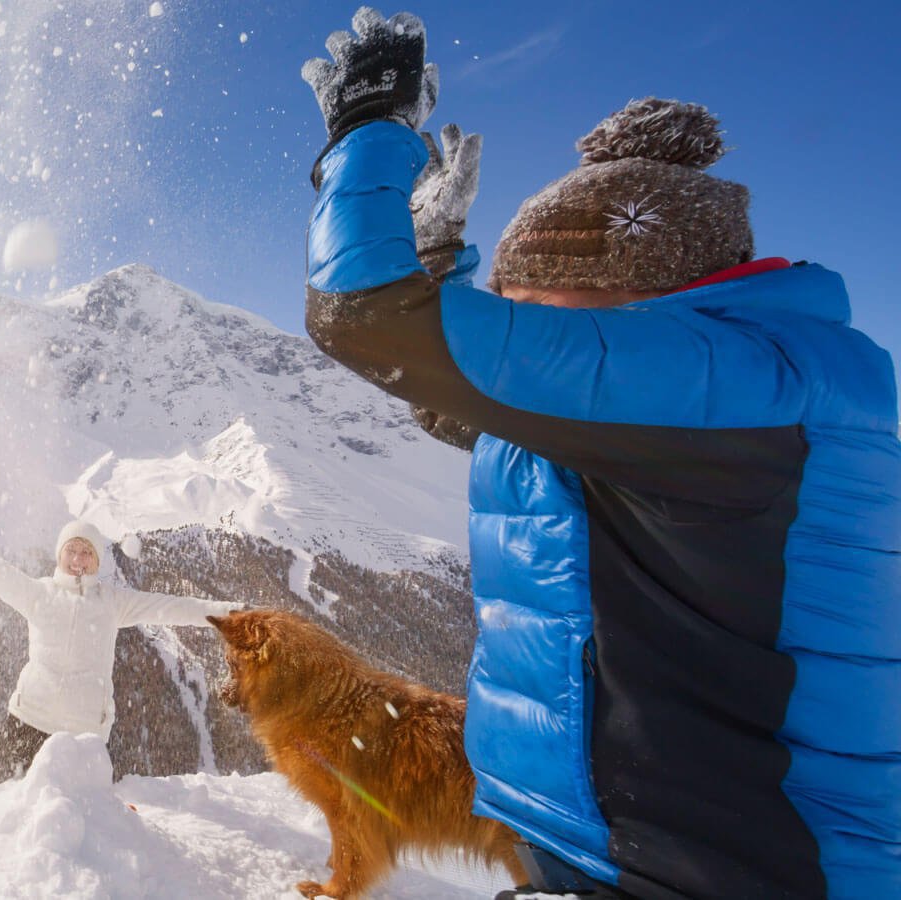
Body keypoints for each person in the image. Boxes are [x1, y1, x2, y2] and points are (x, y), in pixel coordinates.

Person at [299, 9, 899, 898]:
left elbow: (364, 312)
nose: (514, 318)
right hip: (609, 853)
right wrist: (436, 257)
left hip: (732, 872)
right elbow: (471, 412)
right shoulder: (680, 403)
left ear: (633, 296)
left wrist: (372, 136)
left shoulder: (739, 385)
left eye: (529, 301)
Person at [0, 498, 239, 808]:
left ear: (97, 561)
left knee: (62, 816)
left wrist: (228, 615)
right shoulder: (39, 594)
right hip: (27, 719)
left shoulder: (112, 602)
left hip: (81, 735)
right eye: (71, 550)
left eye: (87, 552)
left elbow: (168, 607)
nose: (78, 558)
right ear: (60, 554)